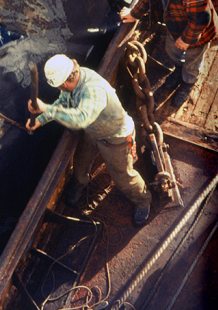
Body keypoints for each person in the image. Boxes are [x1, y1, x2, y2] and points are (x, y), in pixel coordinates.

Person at [26, 55, 152, 226]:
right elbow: (63, 103)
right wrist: (42, 119)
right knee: (81, 162)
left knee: (123, 177)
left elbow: (80, 120)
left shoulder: (93, 91)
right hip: (94, 131)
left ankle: (143, 201)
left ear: (63, 83)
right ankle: (79, 184)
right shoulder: (72, 80)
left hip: (116, 137)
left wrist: (45, 108)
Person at [120, 0, 215, 107]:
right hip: (174, 25)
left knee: (192, 61)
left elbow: (202, 19)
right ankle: (179, 70)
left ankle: (188, 83)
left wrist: (186, 39)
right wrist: (135, 13)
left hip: (195, 33)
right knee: (173, 51)